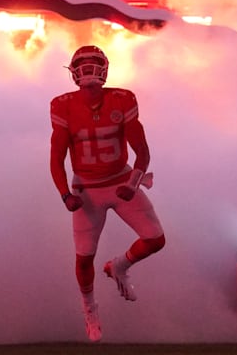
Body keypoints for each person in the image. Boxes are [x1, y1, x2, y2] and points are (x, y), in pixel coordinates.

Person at [49, 45, 166, 342]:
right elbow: (56, 158)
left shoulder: (122, 99)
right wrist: (65, 195)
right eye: (83, 64)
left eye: (93, 64)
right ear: (74, 71)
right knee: (84, 258)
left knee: (156, 239)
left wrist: (132, 183)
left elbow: (142, 151)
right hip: (87, 189)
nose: (88, 70)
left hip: (119, 179)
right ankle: (89, 309)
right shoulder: (62, 106)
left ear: (104, 68)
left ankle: (119, 266)